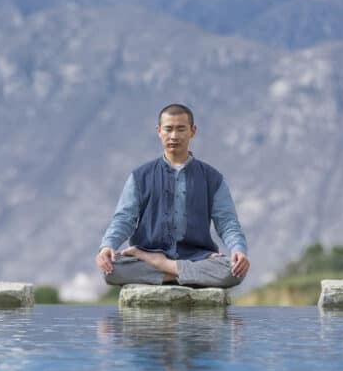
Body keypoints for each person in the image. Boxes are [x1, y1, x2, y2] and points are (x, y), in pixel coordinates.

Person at [95, 103, 250, 288]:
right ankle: (184, 274)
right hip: (148, 253)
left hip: (197, 256)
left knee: (232, 271)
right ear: (159, 131)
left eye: (181, 129)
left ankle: (162, 266)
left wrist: (238, 250)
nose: (174, 136)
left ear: (193, 131)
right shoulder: (140, 176)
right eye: (168, 129)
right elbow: (124, 218)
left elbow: (227, 222)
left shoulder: (212, 178)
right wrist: (107, 246)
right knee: (111, 270)